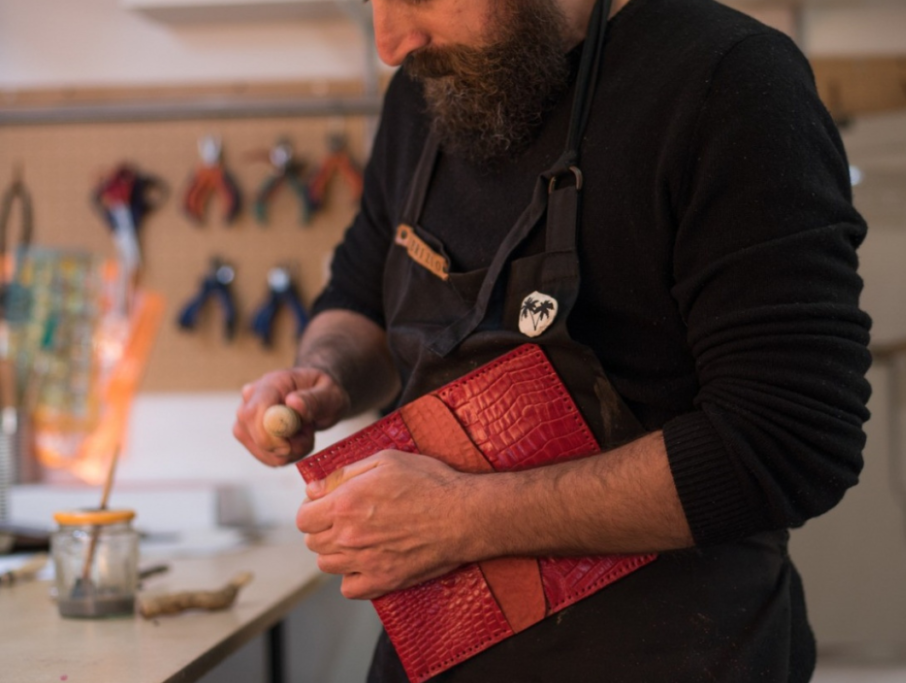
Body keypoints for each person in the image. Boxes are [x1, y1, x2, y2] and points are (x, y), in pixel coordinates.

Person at [233, 0, 873, 679]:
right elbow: (360, 295)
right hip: (441, 655)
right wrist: (324, 373)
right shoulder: (430, 82)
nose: (391, 43)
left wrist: (462, 518)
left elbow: (791, 441)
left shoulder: (729, 81)